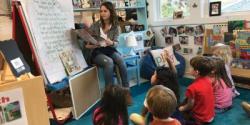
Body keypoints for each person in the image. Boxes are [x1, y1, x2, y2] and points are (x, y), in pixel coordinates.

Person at [130, 50, 182, 124]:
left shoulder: (153, 94)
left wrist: (141, 117)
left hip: (156, 120)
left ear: (159, 80)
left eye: (154, 74)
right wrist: (168, 60)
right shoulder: (172, 91)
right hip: (175, 117)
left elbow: (144, 112)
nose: (152, 76)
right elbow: (173, 73)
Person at [85, 1, 129, 87]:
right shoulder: (95, 25)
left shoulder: (116, 26)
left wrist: (111, 42)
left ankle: (126, 88)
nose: (102, 13)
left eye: (105, 11)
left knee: (121, 60)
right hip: (97, 52)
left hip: (110, 50)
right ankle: (110, 92)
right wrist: (93, 44)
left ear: (111, 12)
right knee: (109, 62)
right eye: (101, 11)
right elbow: (87, 44)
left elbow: (116, 44)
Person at [179, 56, 215, 125]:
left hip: (200, 119)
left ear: (197, 72)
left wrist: (182, 108)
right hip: (210, 116)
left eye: (191, 67)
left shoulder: (192, 88)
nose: (189, 69)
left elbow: (190, 105)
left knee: (178, 113)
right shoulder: (209, 81)